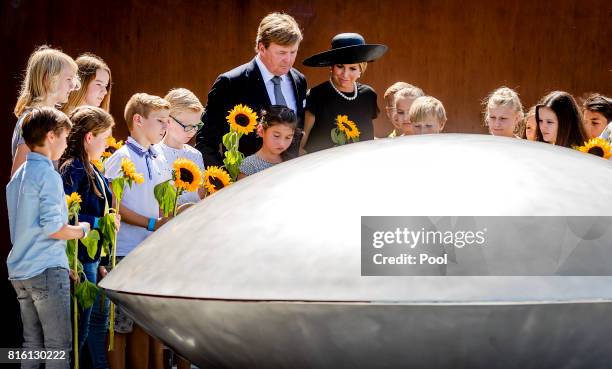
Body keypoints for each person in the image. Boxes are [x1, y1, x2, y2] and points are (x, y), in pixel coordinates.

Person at [7, 107, 89, 369]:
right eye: (65, 137)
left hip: (20, 271)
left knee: (31, 345)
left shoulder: (17, 177)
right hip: (44, 269)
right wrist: (82, 230)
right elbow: (53, 228)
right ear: (52, 136)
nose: (67, 144)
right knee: (57, 347)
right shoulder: (48, 175)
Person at [104, 93, 172, 369]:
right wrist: (152, 223)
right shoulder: (120, 158)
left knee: (148, 323)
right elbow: (114, 205)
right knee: (119, 324)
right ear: (138, 120)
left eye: (168, 121)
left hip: (152, 251)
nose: (165, 127)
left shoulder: (160, 156)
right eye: (160, 121)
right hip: (125, 250)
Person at [196, 12, 307, 167]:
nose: (288, 60)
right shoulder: (230, 83)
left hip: (287, 180)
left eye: (293, 52)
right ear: (262, 48)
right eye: (281, 53)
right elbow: (206, 142)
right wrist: (224, 184)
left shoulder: (299, 80)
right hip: (246, 182)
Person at [59, 106, 119, 369]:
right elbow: (69, 212)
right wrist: (100, 222)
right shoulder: (73, 169)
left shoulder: (94, 169)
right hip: (80, 260)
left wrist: (104, 255)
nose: (107, 144)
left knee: (92, 325)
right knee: (77, 330)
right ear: (89, 138)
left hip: (94, 258)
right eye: (104, 137)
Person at [300, 33, 387, 153]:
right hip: (321, 167)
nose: (345, 75)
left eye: (352, 68)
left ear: (360, 70)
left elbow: (368, 135)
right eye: (340, 66)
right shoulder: (317, 95)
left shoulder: (368, 95)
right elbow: (302, 140)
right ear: (331, 67)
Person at [12, 46, 80, 175]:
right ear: (48, 80)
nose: (73, 86)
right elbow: (19, 178)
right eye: (68, 79)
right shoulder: (34, 120)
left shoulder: (49, 119)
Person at [159, 88, 206, 204]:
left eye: (196, 126)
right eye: (187, 126)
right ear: (168, 121)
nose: (193, 132)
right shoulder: (154, 154)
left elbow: (201, 194)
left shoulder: (195, 155)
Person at [238, 105, 298, 179]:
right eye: (276, 136)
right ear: (261, 131)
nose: (282, 143)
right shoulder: (249, 166)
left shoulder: (292, 159)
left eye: (288, 137)